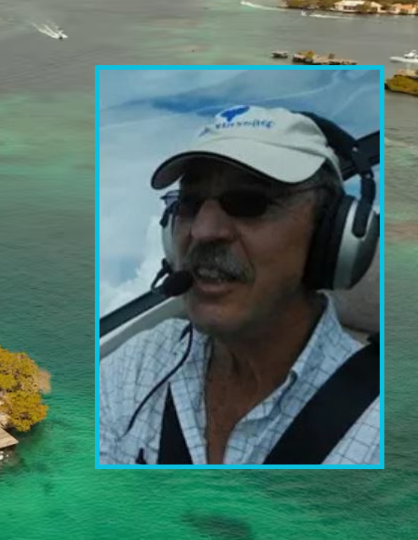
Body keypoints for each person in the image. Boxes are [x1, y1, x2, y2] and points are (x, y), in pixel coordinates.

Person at [99, 105, 380, 465]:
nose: (203, 231)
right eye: (190, 203)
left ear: (330, 236)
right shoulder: (137, 366)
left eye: (250, 203)